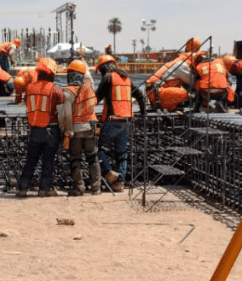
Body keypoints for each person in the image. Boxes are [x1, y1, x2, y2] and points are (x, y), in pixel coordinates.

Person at [94, 54, 147, 192]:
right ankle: (120, 183)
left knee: (97, 147)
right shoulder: (127, 78)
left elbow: (95, 99)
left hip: (112, 120)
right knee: (122, 153)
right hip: (127, 121)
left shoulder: (108, 77)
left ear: (104, 67)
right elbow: (141, 96)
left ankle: (108, 173)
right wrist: (143, 114)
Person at [16, 57, 64, 197]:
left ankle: (22, 188)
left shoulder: (30, 88)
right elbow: (61, 114)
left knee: (31, 160)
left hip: (35, 129)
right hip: (51, 129)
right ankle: (45, 189)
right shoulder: (56, 90)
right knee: (48, 160)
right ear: (52, 73)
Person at [58, 59, 101, 196]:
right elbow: (93, 105)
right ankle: (96, 188)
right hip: (90, 128)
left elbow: (67, 116)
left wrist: (67, 131)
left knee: (75, 159)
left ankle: (79, 188)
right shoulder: (88, 88)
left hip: (75, 131)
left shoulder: (68, 92)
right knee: (93, 158)